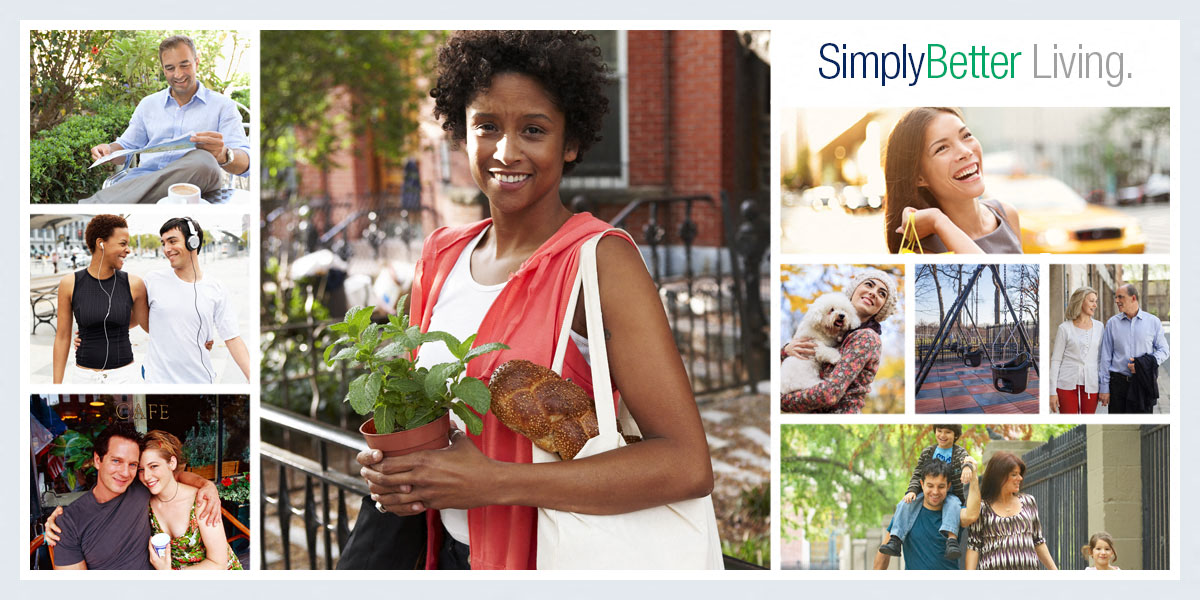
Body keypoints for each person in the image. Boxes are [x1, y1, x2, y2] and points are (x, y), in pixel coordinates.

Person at [341, 30, 714, 570]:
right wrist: (394, 467)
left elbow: (686, 465)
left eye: (533, 130)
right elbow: (426, 420)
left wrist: (496, 482)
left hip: (547, 562)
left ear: (570, 142)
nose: (506, 151)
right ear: (462, 132)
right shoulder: (442, 256)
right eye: (487, 126)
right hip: (447, 557)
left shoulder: (598, 261)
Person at [81, 35, 250, 204]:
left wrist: (224, 154)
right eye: (170, 68)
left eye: (184, 65)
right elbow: (125, 147)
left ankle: (97, 205)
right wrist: (108, 151)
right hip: (144, 181)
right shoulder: (148, 104)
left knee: (205, 161)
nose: (178, 74)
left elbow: (246, 165)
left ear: (196, 63)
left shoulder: (223, 106)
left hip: (192, 187)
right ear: (163, 70)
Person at [44, 423, 220, 569]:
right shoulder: (67, 523)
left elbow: (174, 476)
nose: (125, 473)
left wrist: (207, 485)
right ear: (98, 460)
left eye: (133, 465)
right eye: (116, 461)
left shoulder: (142, 485)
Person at [883, 107, 1023, 254]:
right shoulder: (924, 252)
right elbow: (986, 269)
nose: (965, 152)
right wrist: (938, 221)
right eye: (942, 148)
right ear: (919, 177)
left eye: (966, 135)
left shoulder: (1006, 214)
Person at [141, 217, 250, 383]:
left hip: (199, 381)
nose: (167, 249)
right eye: (163, 243)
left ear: (193, 242)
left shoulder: (216, 288)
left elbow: (232, 337)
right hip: (157, 380)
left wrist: (252, 378)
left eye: (172, 241)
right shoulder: (152, 280)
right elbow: (133, 318)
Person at [780, 268, 898, 413]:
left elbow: (829, 394)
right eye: (869, 284)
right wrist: (785, 351)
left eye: (882, 294)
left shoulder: (866, 337)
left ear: (882, 308)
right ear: (854, 290)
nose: (873, 293)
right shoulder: (835, 334)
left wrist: (781, 401)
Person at [52, 214, 147, 384]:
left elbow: (148, 323)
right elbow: (62, 337)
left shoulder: (134, 284)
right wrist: (56, 386)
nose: (128, 250)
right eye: (123, 244)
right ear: (101, 243)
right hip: (83, 378)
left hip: (124, 377)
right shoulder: (69, 284)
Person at [141, 430, 242, 570]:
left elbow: (219, 564)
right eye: (141, 469)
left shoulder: (200, 502)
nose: (146, 476)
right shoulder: (145, 503)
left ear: (172, 463)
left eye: (153, 466)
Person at [878, 425, 976, 559]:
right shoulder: (928, 452)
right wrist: (912, 490)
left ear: (955, 435)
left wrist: (967, 467)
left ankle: (952, 540)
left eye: (948, 432)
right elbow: (918, 473)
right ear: (935, 432)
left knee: (953, 506)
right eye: (939, 431)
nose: (942, 435)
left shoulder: (959, 452)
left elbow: (966, 461)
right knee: (905, 503)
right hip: (927, 492)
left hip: (950, 493)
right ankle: (895, 539)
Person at [872, 459, 981, 570]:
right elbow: (883, 554)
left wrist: (974, 477)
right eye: (930, 486)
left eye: (941, 486)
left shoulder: (954, 511)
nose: (935, 492)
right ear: (922, 484)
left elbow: (972, 515)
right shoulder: (906, 513)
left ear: (948, 486)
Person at [966, 451, 1058, 570]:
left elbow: (1038, 541)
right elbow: (974, 546)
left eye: (1020, 474)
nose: (1020, 478)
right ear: (999, 477)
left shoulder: (1028, 501)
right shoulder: (982, 508)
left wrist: (1056, 572)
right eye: (1014, 474)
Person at [1098, 283, 1169, 413]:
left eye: (1120, 297)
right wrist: (1104, 388)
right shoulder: (1112, 323)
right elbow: (1105, 357)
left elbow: (1164, 350)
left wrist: (1143, 365)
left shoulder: (1153, 322)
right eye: (1116, 297)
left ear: (1133, 298)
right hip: (1118, 385)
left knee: (1142, 421)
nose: (1116, 301)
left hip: (1143, 383)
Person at [1050, 286, 1104, 413]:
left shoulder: (1100, 327)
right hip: (1066, 383)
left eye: (1096, 301)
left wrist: (1104, 387)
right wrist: (1052, 392)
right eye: (1091, 301)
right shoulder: (1064, 328)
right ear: (1080, 301)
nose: (1095, 305)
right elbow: (1056, 360)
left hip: (1091, 383)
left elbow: (1101, 359)